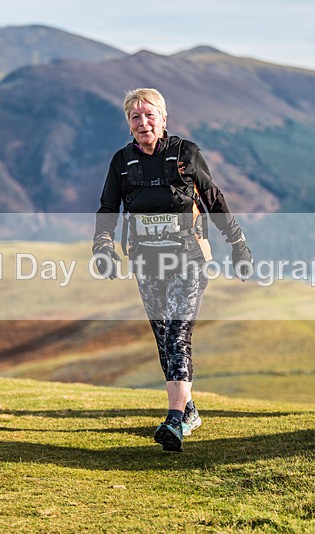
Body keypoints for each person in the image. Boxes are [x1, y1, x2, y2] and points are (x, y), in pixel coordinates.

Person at [93, 88, 253, 452]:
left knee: (178, 334)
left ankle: (174, 420)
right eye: (135, 116)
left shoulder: (186, 154)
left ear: (163, 119)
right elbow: (108, 208)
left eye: (149, 115)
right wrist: (102, 247)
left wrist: (238, 245)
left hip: (189, 260)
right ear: (128, 124)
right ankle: (189, 410)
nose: (143, 122)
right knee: (164, 339)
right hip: (146, 263)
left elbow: (214, 200)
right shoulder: (121, 162)